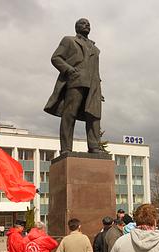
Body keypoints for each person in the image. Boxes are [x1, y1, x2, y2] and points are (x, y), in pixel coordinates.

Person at [44, 18, 102, 154]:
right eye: (83, 23)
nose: (86, 25)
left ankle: (94, 146)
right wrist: (69, 70)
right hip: (76, 81)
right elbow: (56, 58)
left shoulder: (95, 48)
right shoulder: (69, 40)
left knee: (94, 116)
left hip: (93, 85)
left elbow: (96, 69)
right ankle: (66, 148)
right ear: (76, 28)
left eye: (88, 24)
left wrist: (99, 88)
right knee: (69, 114)